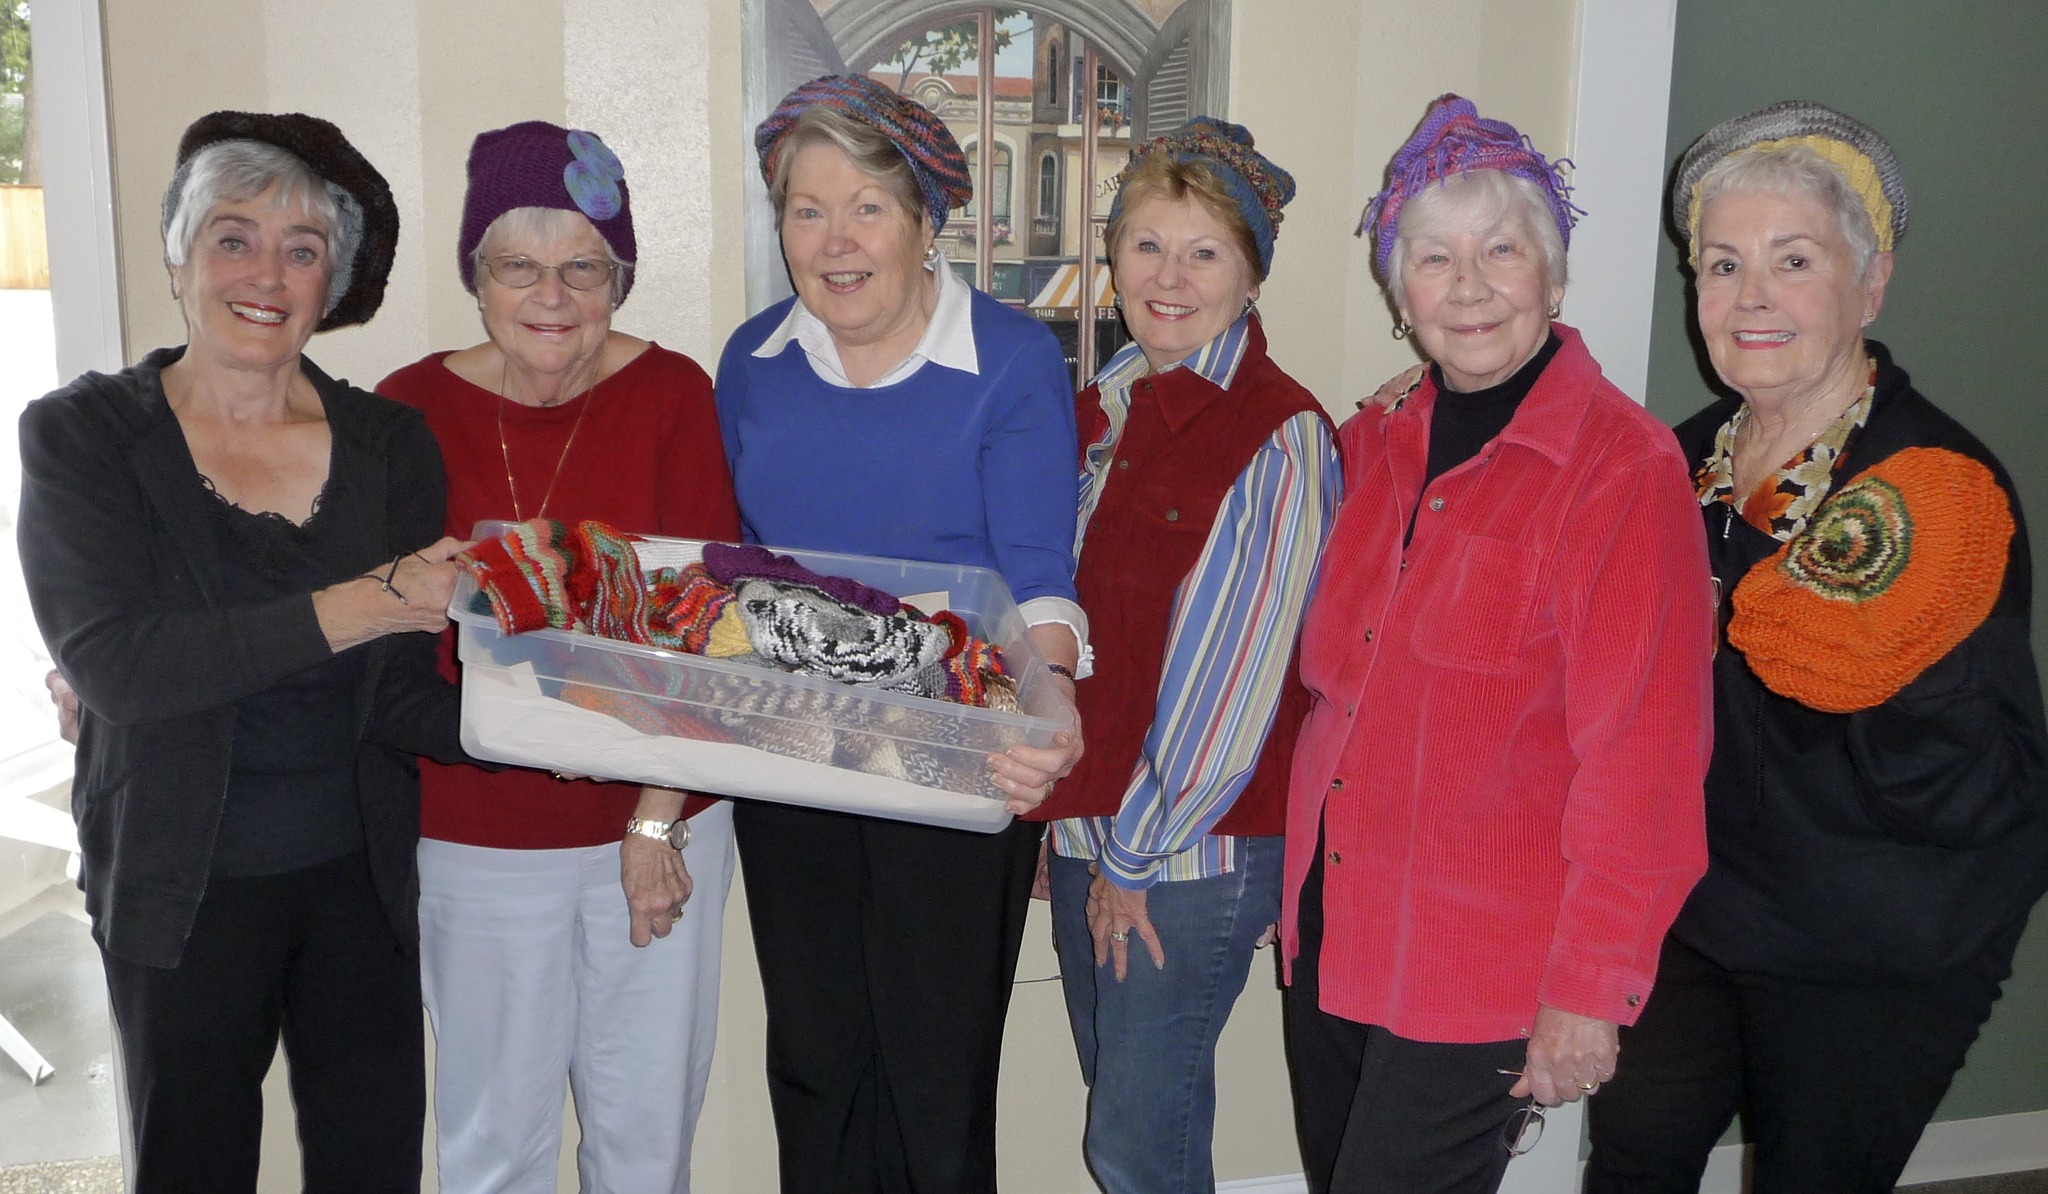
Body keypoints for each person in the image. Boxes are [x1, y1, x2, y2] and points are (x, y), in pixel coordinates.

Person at [1584, 100, 2048, 1194]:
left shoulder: (1930, 487)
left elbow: (1861, 703)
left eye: (1791, 261)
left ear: (1868, 281)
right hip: (1703, 901)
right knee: (1635, 1161)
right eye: (1719, 264)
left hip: (1883, 922)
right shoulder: (1680, 461)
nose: (1748, 298)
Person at [17, 110, 467, 1192]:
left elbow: (404, 698)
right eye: (233, 236)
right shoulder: (83, 437)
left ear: (331, 284)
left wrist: (581, 722)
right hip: (179, 889)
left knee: (372, 1170)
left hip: (357, 891)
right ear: (177, 256)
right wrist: (362, 604)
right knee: (190, 1168)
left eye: (303, 250)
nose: (267, 273)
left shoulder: (389, 445)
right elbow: (123, 668)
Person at [1279, 94, 1716, 1194]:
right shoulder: (1367, 444)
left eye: (1500, 251)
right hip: (1331, 931)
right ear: (1398, 294)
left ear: (1551, 277)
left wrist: (1592, 985)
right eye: (1432, 259)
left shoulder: (1623, 469)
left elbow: (1645, 759)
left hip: (1477, 960)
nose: (1466, 285)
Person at [717, 73, 1085, 1192]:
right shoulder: (752, 364)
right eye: (804, 208)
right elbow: (737, 570)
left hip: (952, 751)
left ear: (928, 222)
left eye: (865, 207)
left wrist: (1054, 698)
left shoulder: (1011, 361)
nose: (833, 240)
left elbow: (1037, 574)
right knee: (817, 1062)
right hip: (790, 750)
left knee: (935, 1069)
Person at [376, 121, 743, 1194]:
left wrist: (650, 817)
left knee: (644, 1135)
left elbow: (708, 625)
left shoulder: (673, 393)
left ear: (617, 279)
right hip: (473, 829)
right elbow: (375, 611)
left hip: (664, 817)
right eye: (517, 265)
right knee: (495, 1139)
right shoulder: (409, 405)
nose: (552, 294)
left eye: (583, 265)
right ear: (475, 279)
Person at [1023, 118, 1339, 1193]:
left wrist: (1131, 855)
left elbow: (1234, 678)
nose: (1168, 276)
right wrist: (1063, 823)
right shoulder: (1099, 409)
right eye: (1145, 245)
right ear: (1110, 261)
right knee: (1139, 1114)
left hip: (1182, 848)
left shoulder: (1276, 432)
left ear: (1248, 276)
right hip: (1090, 822)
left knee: (1129, 1144)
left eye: (1203, 251)